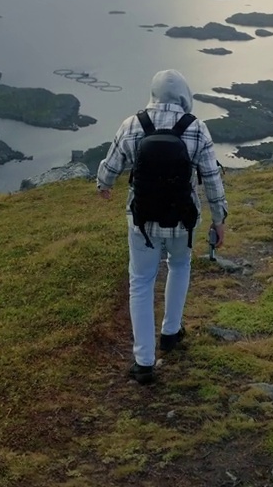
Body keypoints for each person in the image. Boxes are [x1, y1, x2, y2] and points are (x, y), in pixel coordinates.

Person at [98, 69, 228, 385]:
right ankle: (171, 332)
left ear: (153, 93)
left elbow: (110, 167)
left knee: (141, 282)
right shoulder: (196, 128)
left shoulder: (133, 125)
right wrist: (219, 219)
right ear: (184, 95)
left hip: (142, 220)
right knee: (179, 266)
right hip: (183, 220)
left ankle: (143, 362)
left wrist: (104, 184)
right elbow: (211, 177)